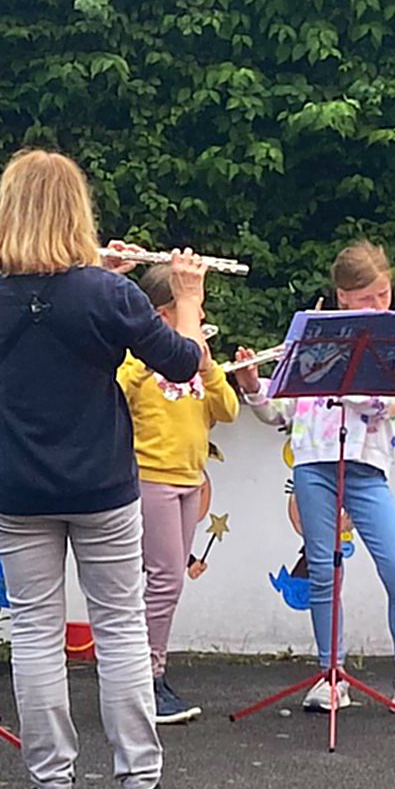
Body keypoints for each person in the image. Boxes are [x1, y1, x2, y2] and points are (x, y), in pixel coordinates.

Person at [0, 149, 209, 789]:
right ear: (77, 211)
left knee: (36, 632)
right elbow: (184, 362)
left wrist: (103, 278)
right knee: (121, 628)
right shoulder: (109, 294)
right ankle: (139, 785)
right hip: (100, 481)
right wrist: (187, 297)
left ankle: (50, 788)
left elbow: (46, 307)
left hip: (17, 483)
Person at [232, 241, 395, 721]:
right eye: (366, 299)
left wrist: (350, 382)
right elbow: (281, 413)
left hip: (367, 468)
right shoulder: (316, 338)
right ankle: (330, 677)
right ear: (342, 298)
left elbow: (393, 402)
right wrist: (255, 386)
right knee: (324, 571)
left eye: (382, 294)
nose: (378, 306)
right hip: (314, 462)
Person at [118, 258, 239, 723]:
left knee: (168, 582)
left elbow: (227, 410)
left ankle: (151, 674)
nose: (202, 321)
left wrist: (210, 370)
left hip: (190, 480)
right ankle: (146, 679)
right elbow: (115, 391)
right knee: (163, 580)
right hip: (150, 478)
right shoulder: (135, 358)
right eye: (193, 311)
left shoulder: (196, 360)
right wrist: (148, 360)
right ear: (163, 315)